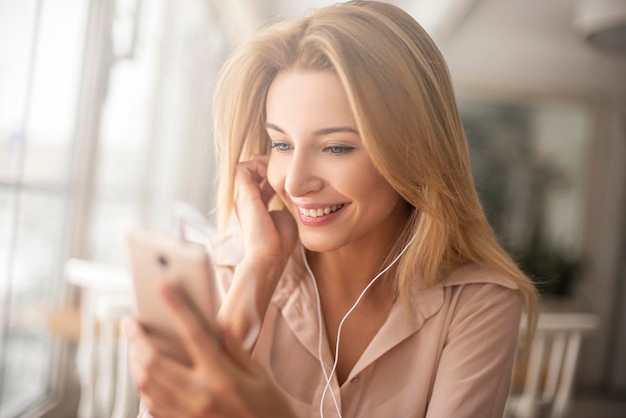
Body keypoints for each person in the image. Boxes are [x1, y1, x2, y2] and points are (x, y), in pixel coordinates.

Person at [123, 1, 538, 417]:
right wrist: (261, 269)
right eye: (282, 144)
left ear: (415, 152)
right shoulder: (224, 274)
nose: (295, 182)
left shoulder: (478, 302)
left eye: (336, 147)